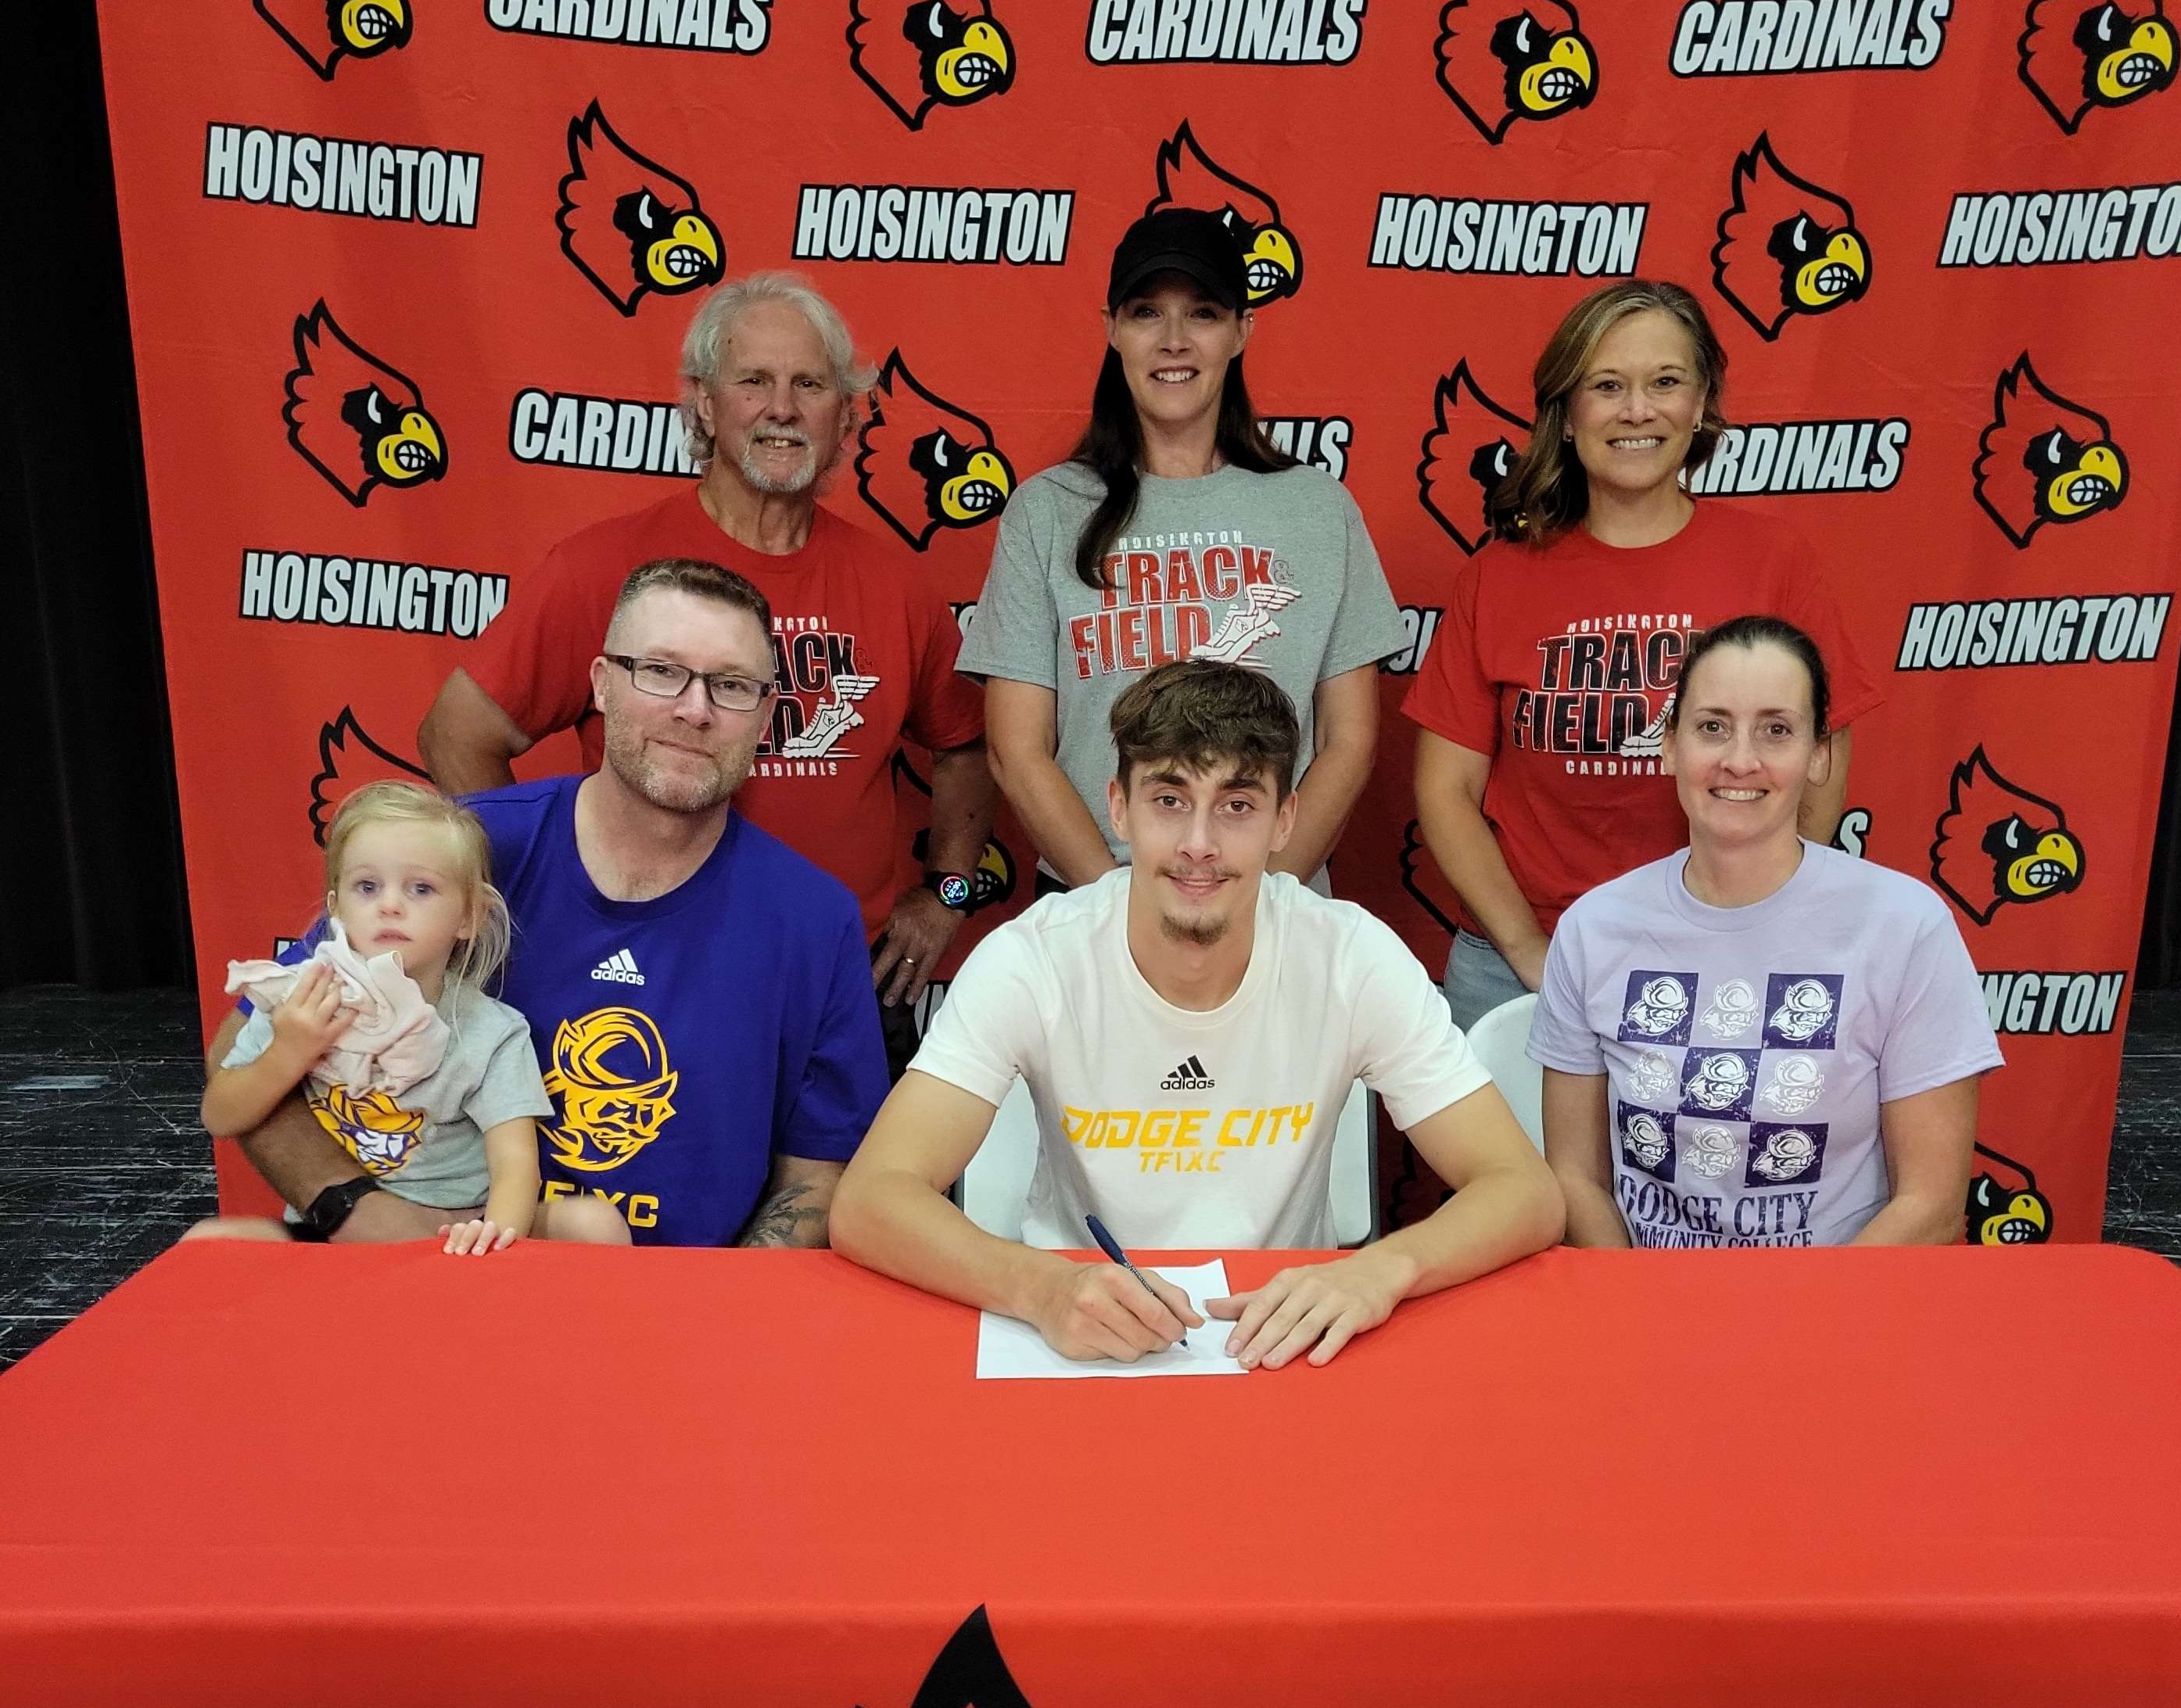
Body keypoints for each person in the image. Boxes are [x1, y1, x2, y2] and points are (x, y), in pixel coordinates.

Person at [830, 666, 1563, 1366]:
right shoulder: (1036, 958)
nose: (1199, 845)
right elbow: (870, 1200)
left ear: (1286, 819)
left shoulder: (1350, 955)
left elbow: (1522, 1191)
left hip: (1282, 1337)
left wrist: (1380, 1269)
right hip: (1073, 1337)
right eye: (1170, 800)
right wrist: (1041, 1287)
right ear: (1119, 806)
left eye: (1238, 805)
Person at [214, 560, 888, 1248]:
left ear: (766, 716)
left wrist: (714, 1318)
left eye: (733, 685)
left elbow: (817, 1172)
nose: (695, 709)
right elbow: (240, 1054)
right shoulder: (464, 854)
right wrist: (351, 1208)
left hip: (668, 1313)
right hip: (430, 1273)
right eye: (660, 671)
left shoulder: (814, 920)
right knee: (212, 1255)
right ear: (601, 684)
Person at [415, 270, 994, 1064]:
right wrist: (533, 904)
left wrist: (949, 893)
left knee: (858, 1193)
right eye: (753, 381)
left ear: (844, 416)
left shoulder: (895, 585)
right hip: (646, 980)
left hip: (841, 986)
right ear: (705, 404)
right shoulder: (604, 568)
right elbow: (458, 731)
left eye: (809, 384)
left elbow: (966, 741)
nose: (782, 408)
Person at [1408, 278, 1885, 1028]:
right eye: (1607, 385)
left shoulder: (1773, 562)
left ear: (1700, 406)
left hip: (1724, 956)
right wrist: (1530, 950)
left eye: (1666, 382)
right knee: (1508, 1155)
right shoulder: (1498, 576)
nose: (1638, 410)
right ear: (1567, 414)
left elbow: (1822, 760)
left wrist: (1754, 918)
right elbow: (1445, 792)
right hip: (1519, 969)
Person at [958, 206, 1395, 895]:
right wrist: (1115, 908)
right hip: (1094, 901)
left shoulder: (1317, 509)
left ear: (1242, 331)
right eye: (1145, 313)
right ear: (1111, 329)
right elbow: (1017, 751)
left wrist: (1261, 900)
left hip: (1270, 905)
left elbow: (1350, 743)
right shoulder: (1045, 511)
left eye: (1202, 313)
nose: (1173, 341)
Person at [1533, 617, 1998, 1251]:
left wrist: (1797, 1328)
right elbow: (1575, 1178)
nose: (1740, 760)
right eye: (1712, 726)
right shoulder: (1594, 928)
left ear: (1819, 755)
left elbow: (1933, 1205)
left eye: (1776, 730)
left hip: (1834, 1316)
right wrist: (1636, 1311)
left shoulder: (1905, 926)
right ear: (1669, 745)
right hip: (1647, 1315)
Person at [191, 782, 628, 1251]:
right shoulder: (300, 1002)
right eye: (367, 886)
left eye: (421, 888)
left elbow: (515, 1161)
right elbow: (220, 1116)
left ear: (470, 917)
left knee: (594, 1223)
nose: (390, 904)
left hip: (462, 1225)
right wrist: (289, 1052)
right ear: (336, 909)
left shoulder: (491, 1032)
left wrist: (493, 1236)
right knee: (209, 1242)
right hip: (334, 1232)